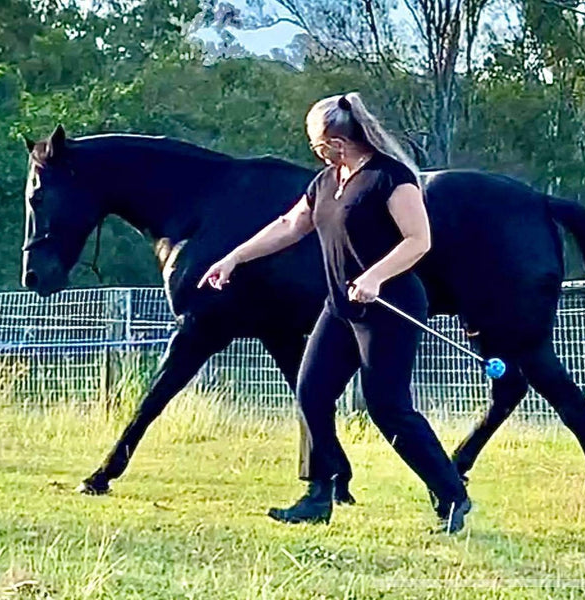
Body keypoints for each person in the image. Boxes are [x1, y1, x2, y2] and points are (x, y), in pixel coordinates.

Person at [198, 92, 471, 534]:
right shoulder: (326, 181)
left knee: (387, 406)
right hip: (341, 306)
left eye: (316, 145)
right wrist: (235, 258)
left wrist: (376, 277)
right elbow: (290, 225)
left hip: (390, 304)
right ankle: (317, 494)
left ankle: (451, 493)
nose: (315, 153)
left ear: (337, 142)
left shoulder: (390, 178)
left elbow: (418, 241)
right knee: (311, 391)